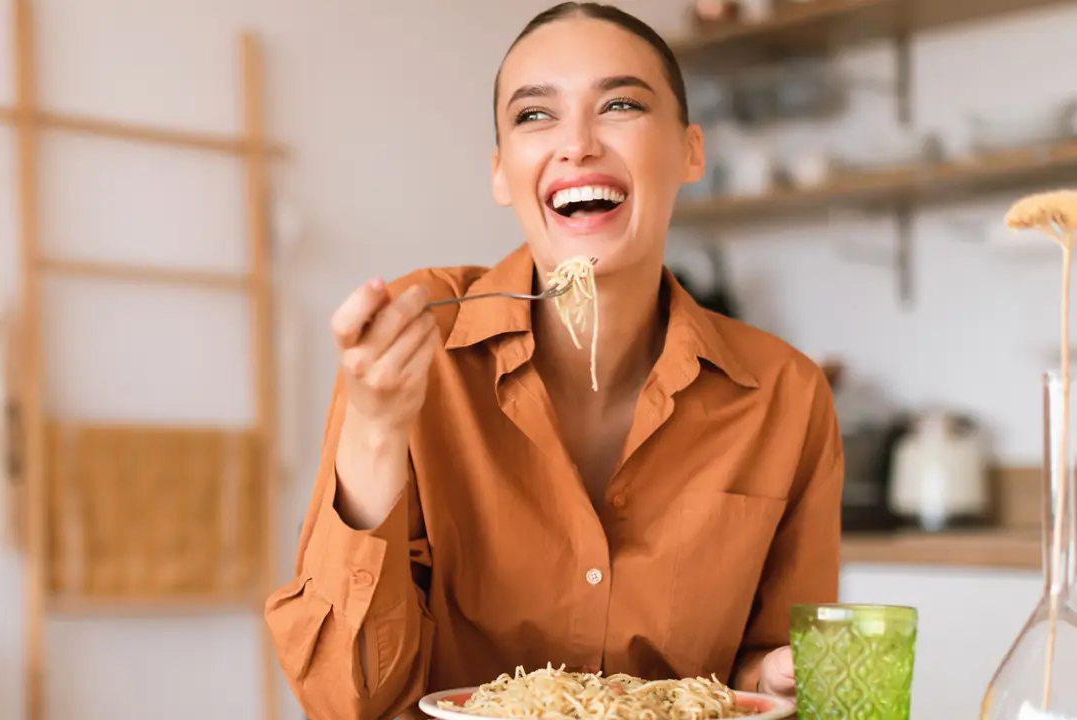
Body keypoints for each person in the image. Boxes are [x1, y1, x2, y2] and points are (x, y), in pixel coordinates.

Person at [264, 4, 843, 720]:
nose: (577, 144)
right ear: (502, 172)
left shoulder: (784, 394)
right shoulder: (418, 351)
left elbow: (766, 664)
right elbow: (342, 701)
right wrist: (375, 429)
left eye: (621, 104)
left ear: (692, 152)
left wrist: (783, 678)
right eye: (535, 116)